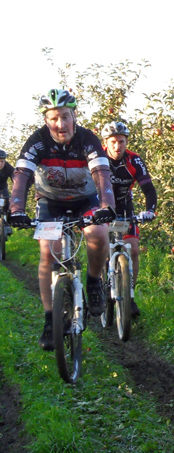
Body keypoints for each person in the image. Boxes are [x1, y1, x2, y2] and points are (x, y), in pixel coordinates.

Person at [9, 88, 116, 351]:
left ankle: (93, 281)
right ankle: (50, 320)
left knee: (98, 233)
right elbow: (22, 174)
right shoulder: (37, 141)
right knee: (49, 252)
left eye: (65, 116)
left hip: (86, 200)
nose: (61, 124)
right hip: (50, 202)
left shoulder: (87, 139)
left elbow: (101, 173)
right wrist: (16, 208)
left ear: (74, 116)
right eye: (54, 118)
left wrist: (107, 205)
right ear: (46, 120)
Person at [101, 121, 157, 317]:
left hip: (124, 207)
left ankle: (129, 295)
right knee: (101, 248)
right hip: (100, 206)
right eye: (113, 142)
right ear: (105, 143)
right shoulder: (97, 158)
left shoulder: (134, 160)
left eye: (121, 142)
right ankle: (100, 284)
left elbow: (148, 188)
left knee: (133, 249)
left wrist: (150, 210)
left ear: (126, 142)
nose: (117, 146)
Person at [0, 149, 15, 235]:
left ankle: (7, 224)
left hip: (2, 189)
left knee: (7, 203)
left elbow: (15, 178)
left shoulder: (8, 167)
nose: (0, 164)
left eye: (2, 161)